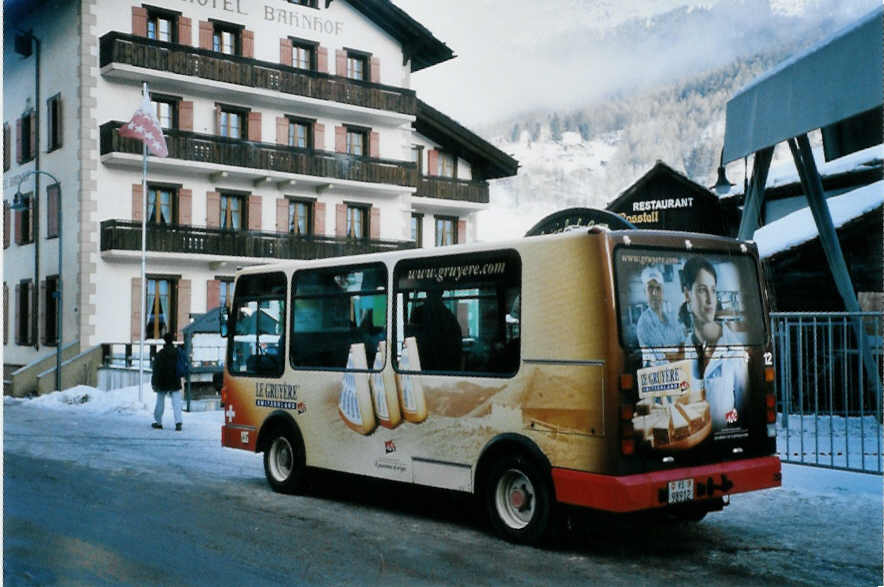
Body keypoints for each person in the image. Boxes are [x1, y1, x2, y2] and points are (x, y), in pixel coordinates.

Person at [681, 256, 747, 433]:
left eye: (713, 290)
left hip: (723, 442)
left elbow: (743, 409)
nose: (711, 300)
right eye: (702, 290)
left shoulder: (734, 349)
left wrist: (729, 430)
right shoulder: (682, 349)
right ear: (687, 294)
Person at [408, 287, 463, 371]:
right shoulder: (449, 316)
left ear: (427, 293)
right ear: (441, 294)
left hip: (423, 364)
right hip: (444, 367)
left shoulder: (418, 312)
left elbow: (410, 339)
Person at [635, 265, 683, 349]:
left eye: (658, 288)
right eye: (650, 288)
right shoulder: (644, 323)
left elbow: (682, 342)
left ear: (662, 291)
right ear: (644, 292)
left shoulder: (671, 318)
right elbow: (660, 358)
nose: (654, 293)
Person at [151, 331, 183, 431]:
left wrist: (154, 383)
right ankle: (178, 422)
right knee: (176, 402)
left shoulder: (160, 354)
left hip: (162, 381)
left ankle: (159, 422)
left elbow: (156, 370)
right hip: (175, 380)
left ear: (164, 341)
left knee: (160, 401)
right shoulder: (177, 352)